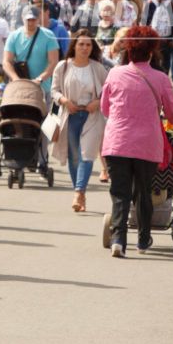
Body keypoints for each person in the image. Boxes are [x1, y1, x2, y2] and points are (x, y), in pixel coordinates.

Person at [97, 26, 173, 257]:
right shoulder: (161, 78)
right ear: (152, 52)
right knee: (144, 192)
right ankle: (143, 239)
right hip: (147, 144)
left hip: (117, 142)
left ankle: (118, 239)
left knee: (119, 193)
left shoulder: (114, 74)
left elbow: (105, 107)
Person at [54, 30, 108, 213]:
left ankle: (78, 192)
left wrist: (98, 102)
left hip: (91, 115)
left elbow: (108, 93)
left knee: (87, 154)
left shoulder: (98, 68)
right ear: (74, 46)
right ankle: (81, 192)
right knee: (74, 156)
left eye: (88, 45)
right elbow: (54, 91)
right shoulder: (63, 66)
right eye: (81, 44)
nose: (85, 48)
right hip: (70, 115)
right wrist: (64, 101)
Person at [2, 6, 60, 96]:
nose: (30, 22)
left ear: (38, 18)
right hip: (20, 88)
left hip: (42, 87)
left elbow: (53, 62)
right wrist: (15, 79)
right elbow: (6, 61)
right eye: (28, 19)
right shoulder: (13, 36)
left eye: (33, 19)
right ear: (22, 18)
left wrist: (39, 79)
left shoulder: (49, 35)